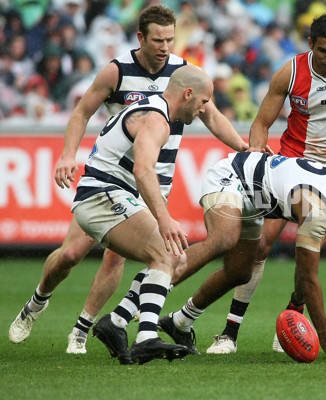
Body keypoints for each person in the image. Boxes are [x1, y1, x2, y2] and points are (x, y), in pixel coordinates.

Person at [8, 5, 247, 355]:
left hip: (151, 183)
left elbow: (212, 115)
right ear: (141, 38)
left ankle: (84, 329)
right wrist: (67, 155)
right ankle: (38, 302)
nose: (165, 46)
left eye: (170, 39)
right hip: (115, 180)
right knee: (71, 255)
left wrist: (243, 147)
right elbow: (82, 111)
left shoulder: (184, 75)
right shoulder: (117, 72)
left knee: (127, 257)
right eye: (157, 40)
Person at [202, 12, 326, 356]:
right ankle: (229, 333)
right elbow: (262, 122)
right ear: (310, 45)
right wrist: (255, 149)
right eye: (324, 50)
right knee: (263, 245)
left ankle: (297, 317)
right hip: (290, 169)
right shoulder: (291, 71)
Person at [155, 154, 326, 360]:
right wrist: (324, 334)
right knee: (222, 240)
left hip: (256, 198)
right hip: (232, 176)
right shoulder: (317, 209)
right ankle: (140, 295)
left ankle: (180, 322)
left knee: (239, 272)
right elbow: (308, 278)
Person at [72, 64, 213, 365]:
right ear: (188, 94)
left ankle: (118, 321)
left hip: (104, 195)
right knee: (166, 249)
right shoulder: (157, 119)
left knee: (177, 256)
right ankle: (146, 336)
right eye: (203, 102)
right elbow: (142, 169)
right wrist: (164, 220)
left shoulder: (150, 109)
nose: (202, 110)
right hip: (102, 196)